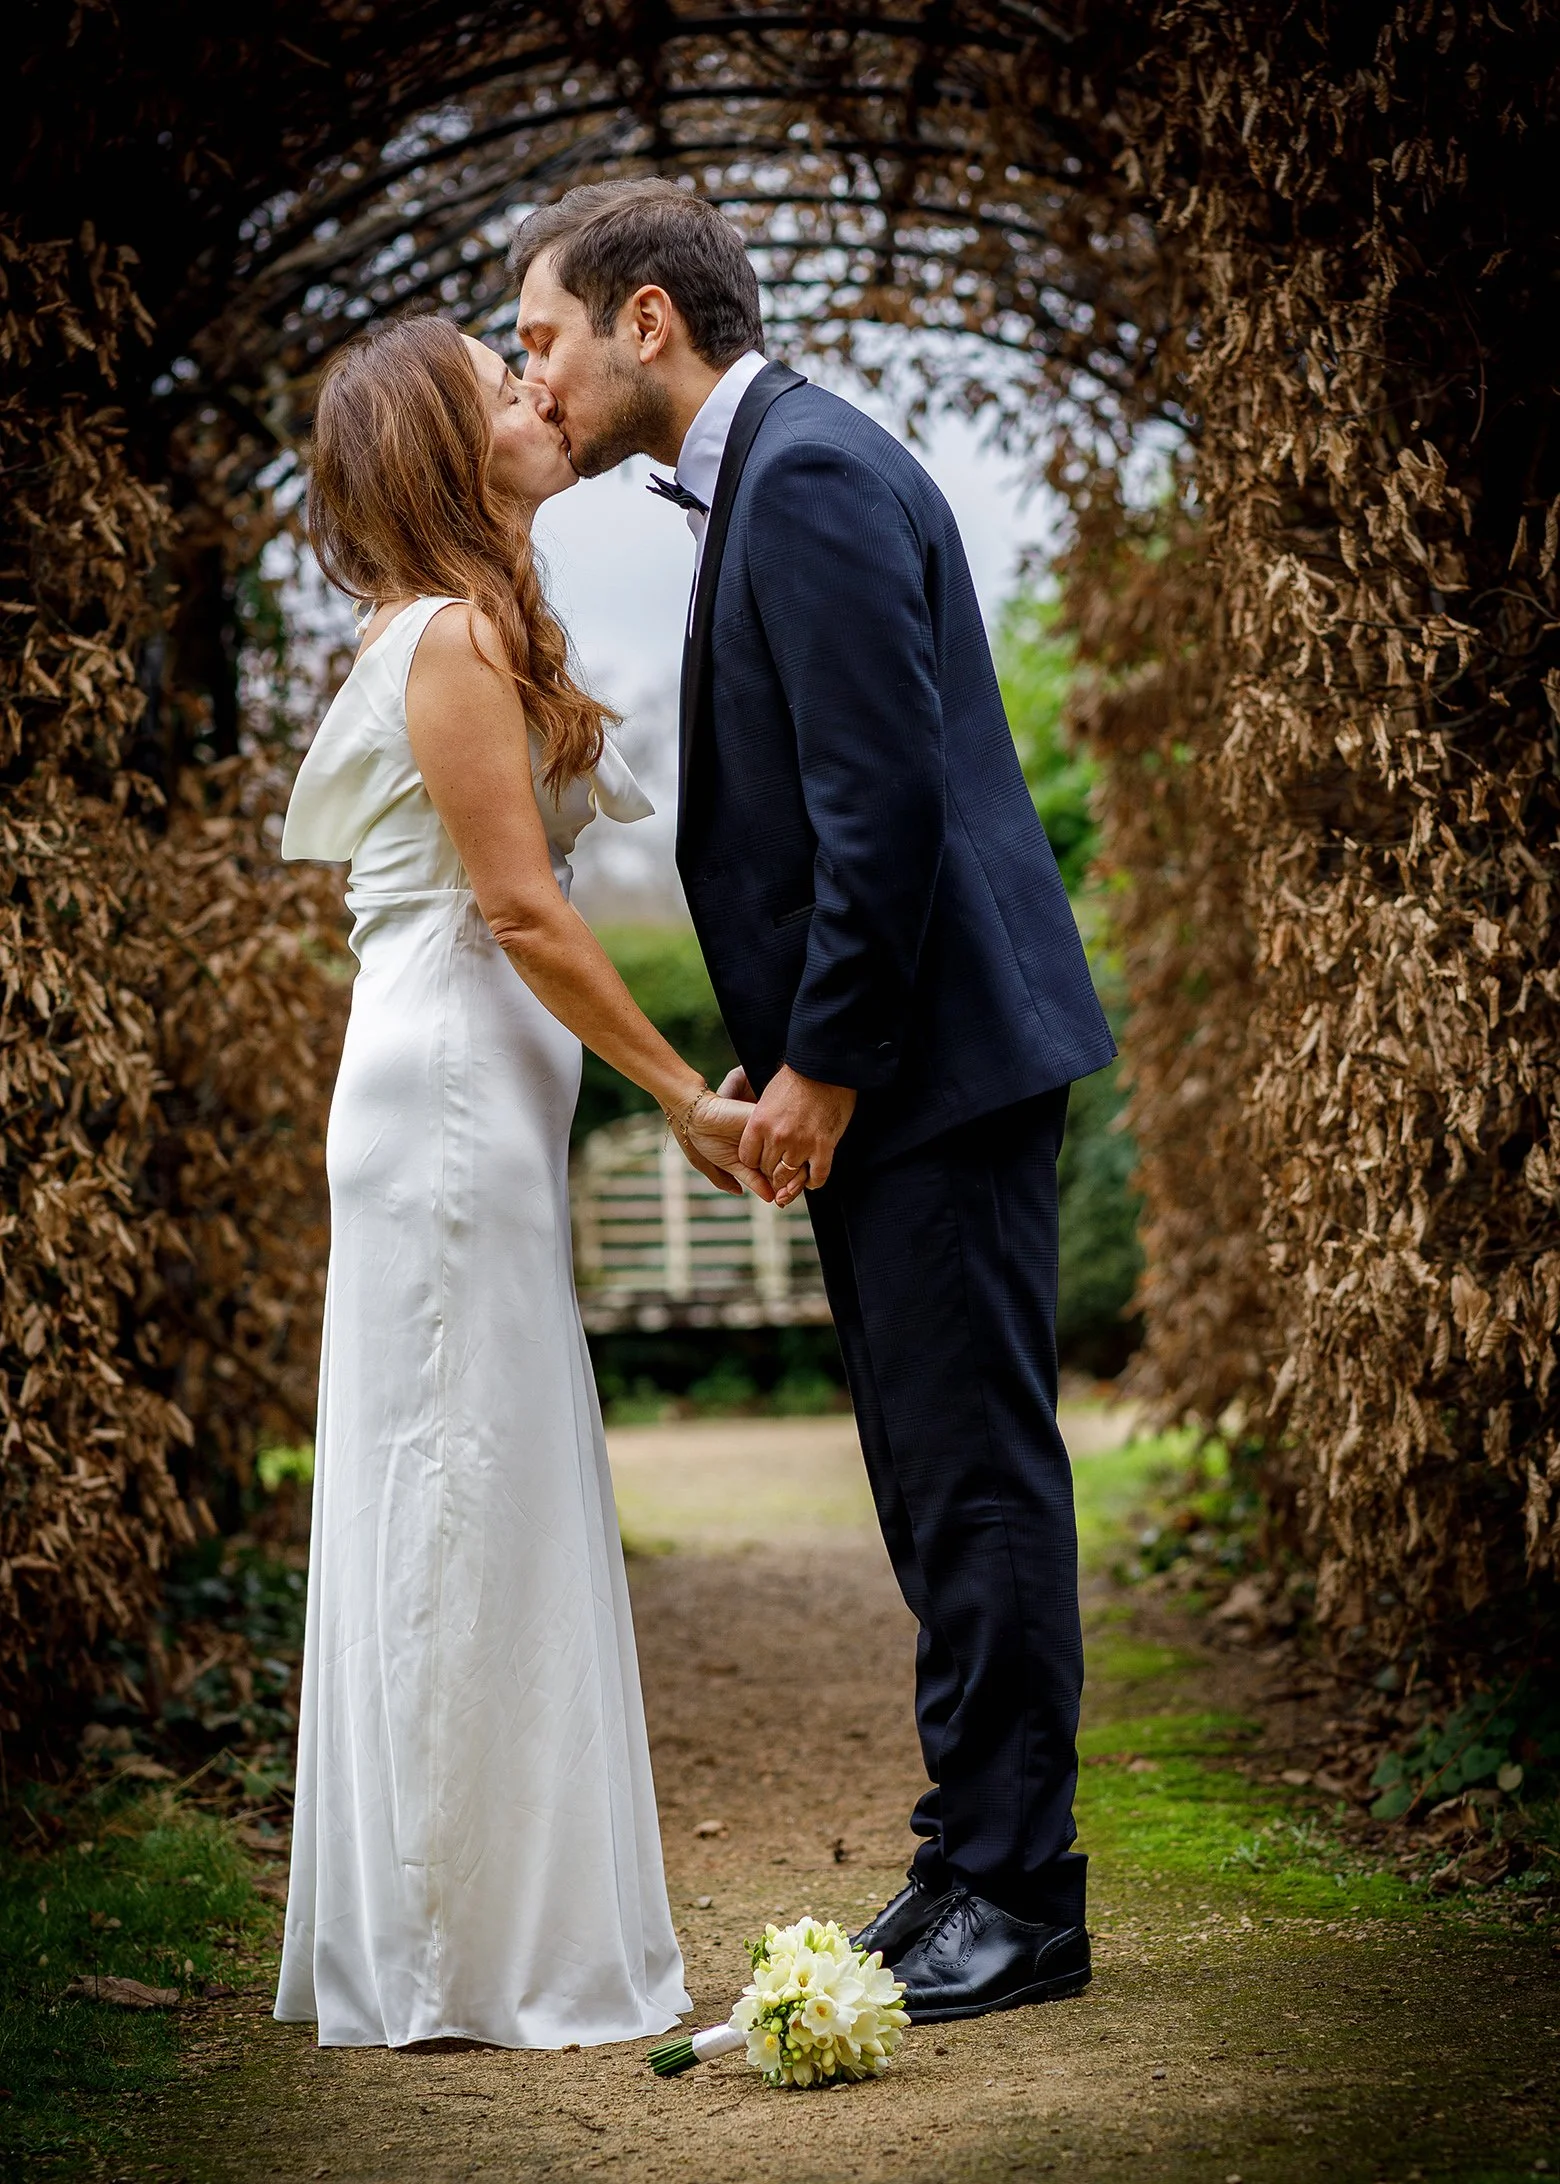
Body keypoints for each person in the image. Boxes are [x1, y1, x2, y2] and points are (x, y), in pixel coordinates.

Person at [510, 180, 1119, 2026]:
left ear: (645, 319)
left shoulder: (813, 475)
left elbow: (884, 813)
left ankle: (1021, 1893)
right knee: (932, 1485)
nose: (533, 380)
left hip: (935, 1075)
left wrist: (823, 1073)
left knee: (976, 1484)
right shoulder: (774, 468)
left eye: (541, 339)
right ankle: (971, 1857)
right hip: (908, 1075)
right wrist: (800, 1063)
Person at [272, 314, 764, 2050]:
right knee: (455, 1488)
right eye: (500, 382)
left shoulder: (480, 619)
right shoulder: (457, 634)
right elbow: (525, 912)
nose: (536, 390)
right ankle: (448, 1953)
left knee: (479, 1479)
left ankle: (463, 1930)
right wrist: (684, 1096)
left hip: (471, 1104)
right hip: (451, 1105)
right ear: (439, 445)